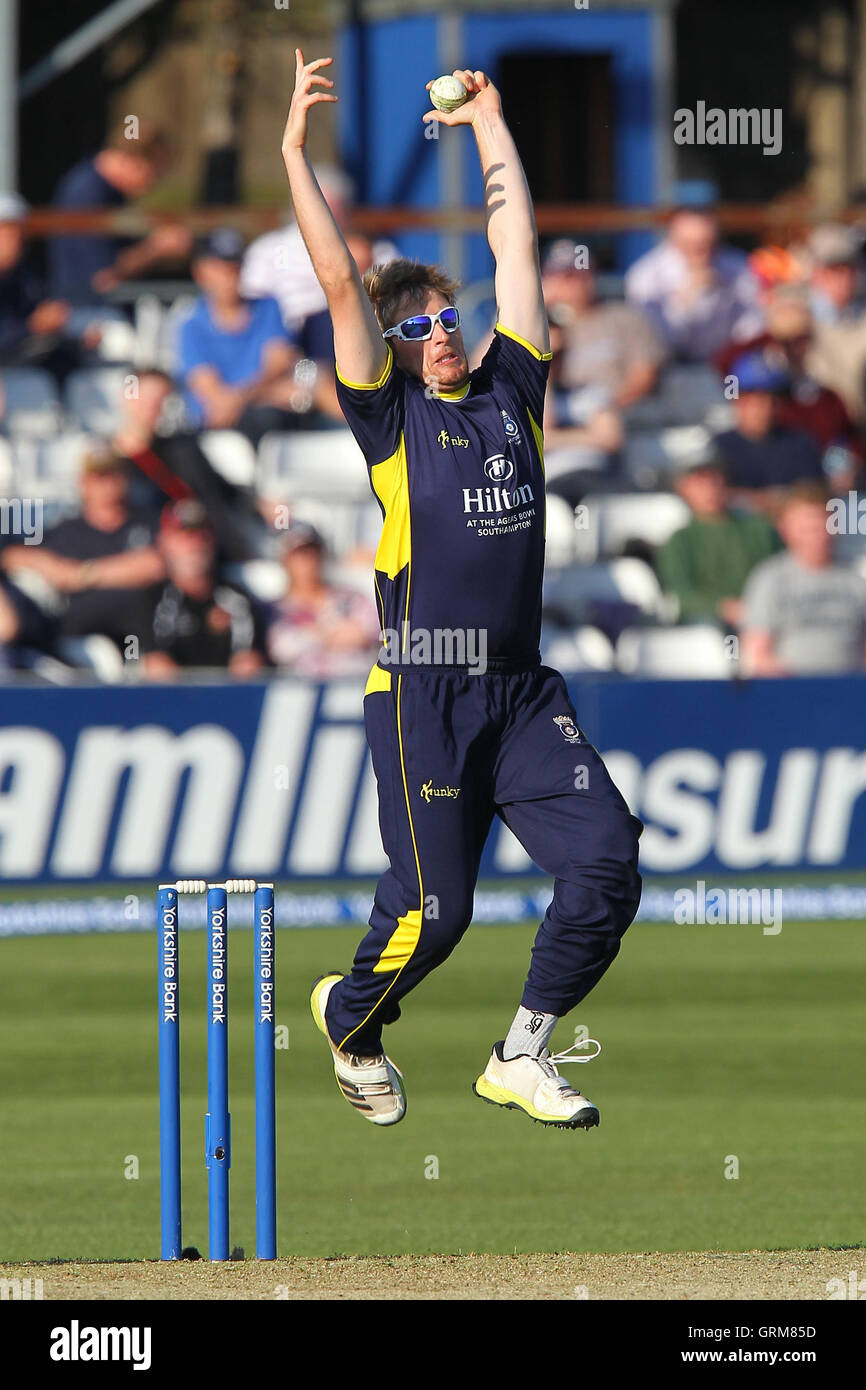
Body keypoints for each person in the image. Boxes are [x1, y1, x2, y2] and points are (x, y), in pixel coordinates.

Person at [282, 51, 642, 1130]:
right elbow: (340, 282)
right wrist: (295, 152)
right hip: (422, 694)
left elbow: (514, 241)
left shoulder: (514, 391)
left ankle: (518, 1054)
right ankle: (350, 1017)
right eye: (414, 329)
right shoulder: (390, 424)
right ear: (391, 352)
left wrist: (489, 121)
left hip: (523, 691)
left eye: (442, 318)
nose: (434, 333)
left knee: (606, 868)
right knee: (437, 915)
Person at [0, 445, 163, 656]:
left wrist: (83, 574)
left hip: (143, 637)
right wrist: (50, 566)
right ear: (83, 483)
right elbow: (11, 555)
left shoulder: (146, 522)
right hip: (80, 640)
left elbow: (158, 563)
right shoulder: (66, 531)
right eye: (99, 477)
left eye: (113, 475)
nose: (107, 485)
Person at [539, 238, 666, 502]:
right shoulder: (537, 323)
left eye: (580, 273)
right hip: (554, 418)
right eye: (564, 276)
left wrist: (607, 407)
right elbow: (482, 365)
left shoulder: (622, 317)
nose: (574, 282)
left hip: (612, 415)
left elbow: (647, 374)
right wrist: (537, 308)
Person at [113, 366, 270, 560]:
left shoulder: (183, 449)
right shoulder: (108, 463)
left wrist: (261, 505)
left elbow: (222, 491)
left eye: (160, 399)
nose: (152, 406)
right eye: (144, 397)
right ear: (126, 398)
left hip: (204, 547)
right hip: (147, 552)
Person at [178, 228, 311, 445]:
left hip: (264, 416)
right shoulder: (191, 325)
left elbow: (278, 365)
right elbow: (211, 396)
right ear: (201, 273)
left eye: (236, 266)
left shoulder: (268, 307)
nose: (232, 275)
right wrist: (266, 392)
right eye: (222, 268)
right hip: (220, 430)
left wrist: (239, 398)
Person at [48, 122, 190, 308]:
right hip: (86, 312)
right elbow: (104, 278)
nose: (151, 185)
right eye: (152, 174)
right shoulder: (88, 194)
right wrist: (156, 248)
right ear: (133, 160)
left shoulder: (105, 192)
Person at [741, 482, 866, 675]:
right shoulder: (770, 579)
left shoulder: (856, 579)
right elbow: (756, 651)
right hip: (790, 691)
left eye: (820, 521)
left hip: (850, 692)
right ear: (785, 529)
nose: (815, 532)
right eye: (805, 524)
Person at [655, 458, 782, 627]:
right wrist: (722, 607)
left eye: (714, 481)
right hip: (713, 625)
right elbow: (680, 595)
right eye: (700, 484)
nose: (710, 490)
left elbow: (783, 568)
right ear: (684, 490)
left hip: (766, 614)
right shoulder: (680, 541)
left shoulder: (759, 528)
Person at [142, 501, 263, 678]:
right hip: (168, 700)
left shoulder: (237, 599)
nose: (194, 545)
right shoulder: (149, 600)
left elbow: (249, 662)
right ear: (164, 542)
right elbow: (145, 657)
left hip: (227, 699)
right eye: (183, 536)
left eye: (201, 535)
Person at [625, 206, 762, 361]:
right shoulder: (646, 275)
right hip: (669, 367)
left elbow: (752, 322)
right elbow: (653, 339)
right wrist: (686, 299)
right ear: (673, 240)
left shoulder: (738, 267)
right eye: (689, 244)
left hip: (725, 362)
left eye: (707, 243)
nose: (700, 251)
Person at [266, 522, 380, 677]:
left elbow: (370, 633)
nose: (309, 561)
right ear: (285, 560)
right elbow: (281, 648)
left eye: (314, 553)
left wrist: (311, 633)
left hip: (354, 687)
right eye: (300, 554)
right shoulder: (275, 610)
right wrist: (332, 634)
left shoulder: (350, 598)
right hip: (297, 692)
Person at [713, 351, 824, 508]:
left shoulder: (799, 442)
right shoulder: (720, 446)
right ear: (737, 401)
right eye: (754, 401)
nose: (764, 409)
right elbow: (716, 496)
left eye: (773, 401)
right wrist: (769, 500)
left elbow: (812, 493)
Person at [805, 223, 866, 423]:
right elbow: (732, 375)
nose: (845, 278)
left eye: (851, 268)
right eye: (835, 269)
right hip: (806, 433)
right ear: (816, 272)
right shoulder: (790, 319)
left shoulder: (862, 318)